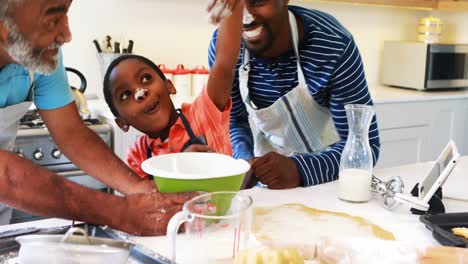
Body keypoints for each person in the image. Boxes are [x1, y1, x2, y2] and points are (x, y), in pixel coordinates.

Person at [0, 0, 242, 235]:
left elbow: (71, 133)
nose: (67, 34)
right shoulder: (139, 153)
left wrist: (140, 189)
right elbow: (5, 175)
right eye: (52, 18)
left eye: (66, 13)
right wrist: (121, 212)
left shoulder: (40, 56)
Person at [208, 0, 381, 189]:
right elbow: (234, 122)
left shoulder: (332, 45)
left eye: (258, 1)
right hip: (270, 181)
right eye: (237, 5)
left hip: (333, 180)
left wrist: (300, 169)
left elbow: (366, 146)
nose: (246, 15)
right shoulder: (227, 48)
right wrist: (243, 162)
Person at [102, 0, 243, 179]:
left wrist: (234, 5)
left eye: (146, 78)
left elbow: (224, 62)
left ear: (170, 85)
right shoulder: (137, 158)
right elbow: (141, 202)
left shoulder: (204, 113)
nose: (140, 92)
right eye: (126, 94)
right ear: (122, 123)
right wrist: (178, 168)